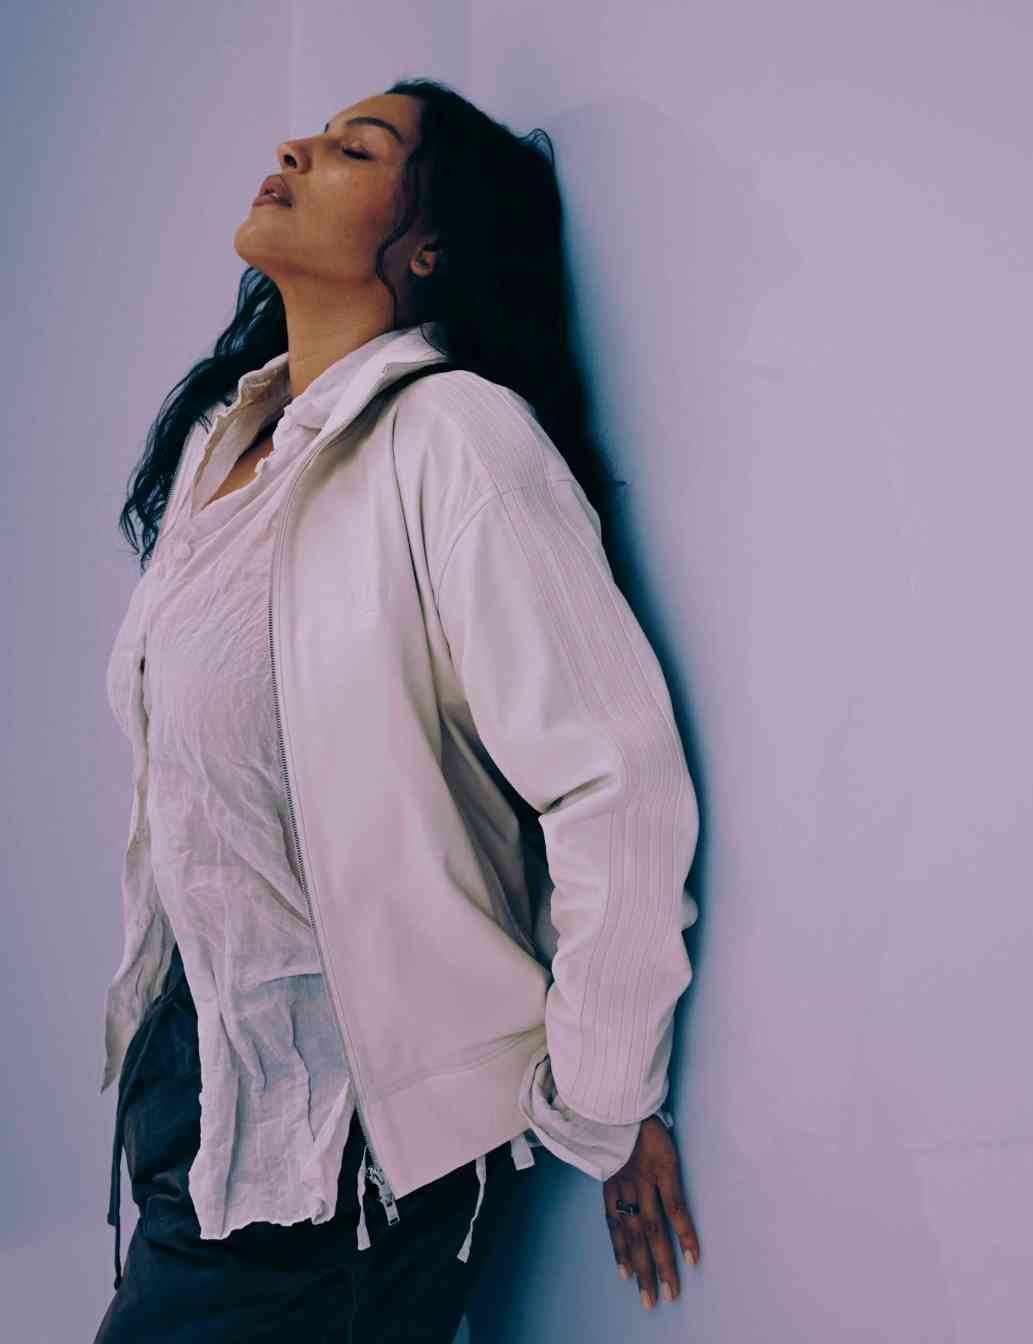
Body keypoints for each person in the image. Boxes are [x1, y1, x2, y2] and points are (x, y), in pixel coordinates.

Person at [95, 79, 701, 1342]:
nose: (295, 147)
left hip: (350, 1144)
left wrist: (605, 1097)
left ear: (427, 245)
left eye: (354, 148)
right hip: (198, 1077)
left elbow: (611, 777)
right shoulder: (226, 445)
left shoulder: (455, 437)